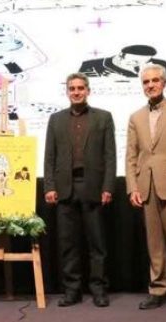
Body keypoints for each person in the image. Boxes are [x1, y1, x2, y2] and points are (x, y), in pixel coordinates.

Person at [44, 73, 116, 308]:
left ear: (88, 91)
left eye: (80, 88)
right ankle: (71, 290)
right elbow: (49, 156)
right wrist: (49, 186)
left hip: (92, 186)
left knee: (97, 244)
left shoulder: (103, 117)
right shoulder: (55, 119)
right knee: (68, 245)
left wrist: (108, 186)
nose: (76, 92)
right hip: (65, 188)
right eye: (72, 88)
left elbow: (110, 156)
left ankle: (99, 289)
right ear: (67, 92)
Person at [126, 64, 166, 311]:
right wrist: (133, 187)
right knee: (154, 243)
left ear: (164, 83)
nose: (150, 85)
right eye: (146, 82)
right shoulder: (136, 117)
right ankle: (158, 288)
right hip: (146, 186)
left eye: (155, 81)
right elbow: (131, 156)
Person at [79, 45, 166, 79]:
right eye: (134, 62)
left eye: (146, 61)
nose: (139, 66)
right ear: (120, 56)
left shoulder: (160, 65)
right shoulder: (91, 66)